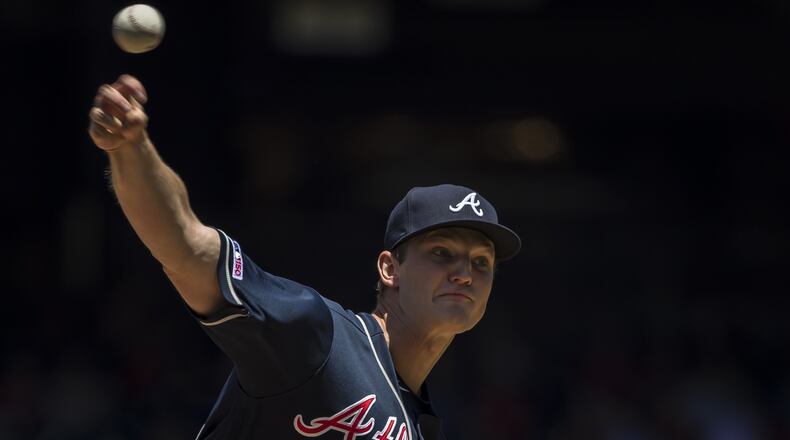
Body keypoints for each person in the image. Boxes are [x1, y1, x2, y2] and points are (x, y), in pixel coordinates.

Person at [87, 74, 521, 440]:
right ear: (390, 270)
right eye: (442, 253)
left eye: (482, 262)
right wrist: (130, 149)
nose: (464, 272)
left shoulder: (419, 422)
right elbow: (186, 247)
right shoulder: (318, 338)